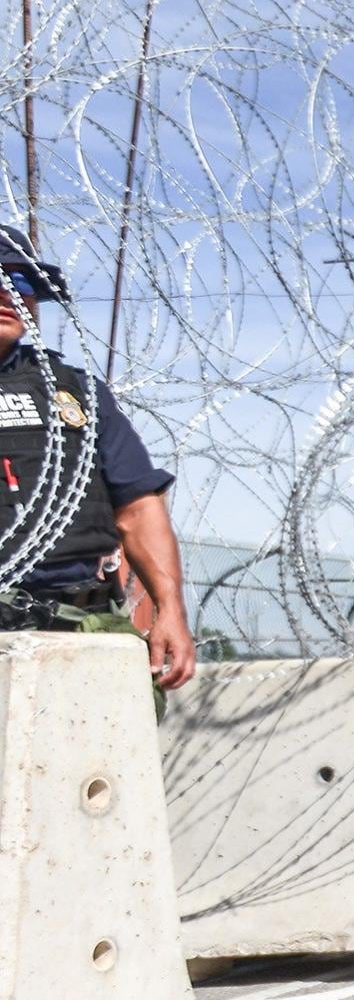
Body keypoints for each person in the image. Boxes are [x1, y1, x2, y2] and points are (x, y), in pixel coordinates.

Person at [0, 223, 196, 687]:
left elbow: (137, 505)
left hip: (81, 631)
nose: (7, 292)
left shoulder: (77, 393)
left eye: (20, 280)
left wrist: (170, 609)